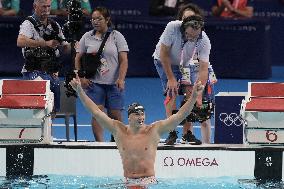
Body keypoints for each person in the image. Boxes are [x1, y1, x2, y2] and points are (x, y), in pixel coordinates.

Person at [69, 75, 204, 187]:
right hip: (127, 181)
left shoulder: (154, 131)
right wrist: (80, 92)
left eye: (142, 114)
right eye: (137, 114)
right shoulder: (118, 130)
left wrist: (193, 97)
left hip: (148, 182)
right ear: (129, 117)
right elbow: (96, 112)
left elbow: (180, 115)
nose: (141, 117)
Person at [153, 3, 214, 145]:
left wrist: (198, 94)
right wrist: (170, 78)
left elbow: (203, 69)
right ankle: (171, 132)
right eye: (189, 36)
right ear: (184, 27)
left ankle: (187, 133)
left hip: (184, 64)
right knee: (171, 92)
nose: (191, 39)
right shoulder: (172, 27)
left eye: (195, 37)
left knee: (190, 94)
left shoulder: (204, 40)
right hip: (163, 61)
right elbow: (164, 54)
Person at [75, 7, 129, 142]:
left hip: (114, 83)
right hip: (94, 83)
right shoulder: (87, 37)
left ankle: (117, 142)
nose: (95, 22)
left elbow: (124, 60)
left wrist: (121, 79)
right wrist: (81, 77)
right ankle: (99, 144)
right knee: (97, 114)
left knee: (115, 115)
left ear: (107, 19)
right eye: (93, 19)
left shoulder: (117, 36)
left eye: (99, 19)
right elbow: (77, 58)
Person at [17, 0, 69, 113]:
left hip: (51, 72)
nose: (46, 9)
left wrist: (74, 45)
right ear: (35, 6)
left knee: (53, 110)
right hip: (33, 70)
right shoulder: (28, 23)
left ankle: (48, 129)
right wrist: (45, 43)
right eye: (43, 6)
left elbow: (66, 47)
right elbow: (20, 41)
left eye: (48, 6)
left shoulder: (55, 25)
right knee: (40, 106)